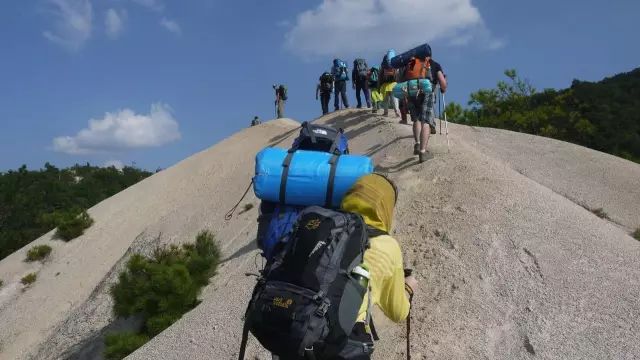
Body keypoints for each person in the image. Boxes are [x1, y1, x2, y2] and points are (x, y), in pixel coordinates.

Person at [338, 173, 417, 359]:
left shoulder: (325, 225)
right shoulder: (386, 246)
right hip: (342, 340)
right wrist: (407, 287)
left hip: (292, 330)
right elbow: (398, 312)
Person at [409, 55, 447, 163]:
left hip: (412, 91)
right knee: (426, 121)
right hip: (427, 92)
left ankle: (417, 144)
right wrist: (443, 88)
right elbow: (443, 84)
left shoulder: (412, 63)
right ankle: (423, 152)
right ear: (429, 55)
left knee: (416, 119)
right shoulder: (434, 64)